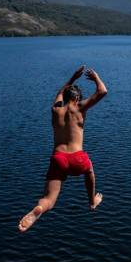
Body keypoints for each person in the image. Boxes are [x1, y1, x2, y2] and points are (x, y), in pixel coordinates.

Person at [18, 65, 108, 232]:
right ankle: (91, 201)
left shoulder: (55, 110)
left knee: (49, 199)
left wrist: (72, 78)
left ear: (65, 97)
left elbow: (59, 93)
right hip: (78, 158)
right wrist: (95, 78)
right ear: (78, 97)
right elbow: (103, 91)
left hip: (59, 158)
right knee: (89, 170)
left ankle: (40, 208)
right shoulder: (80, 107)